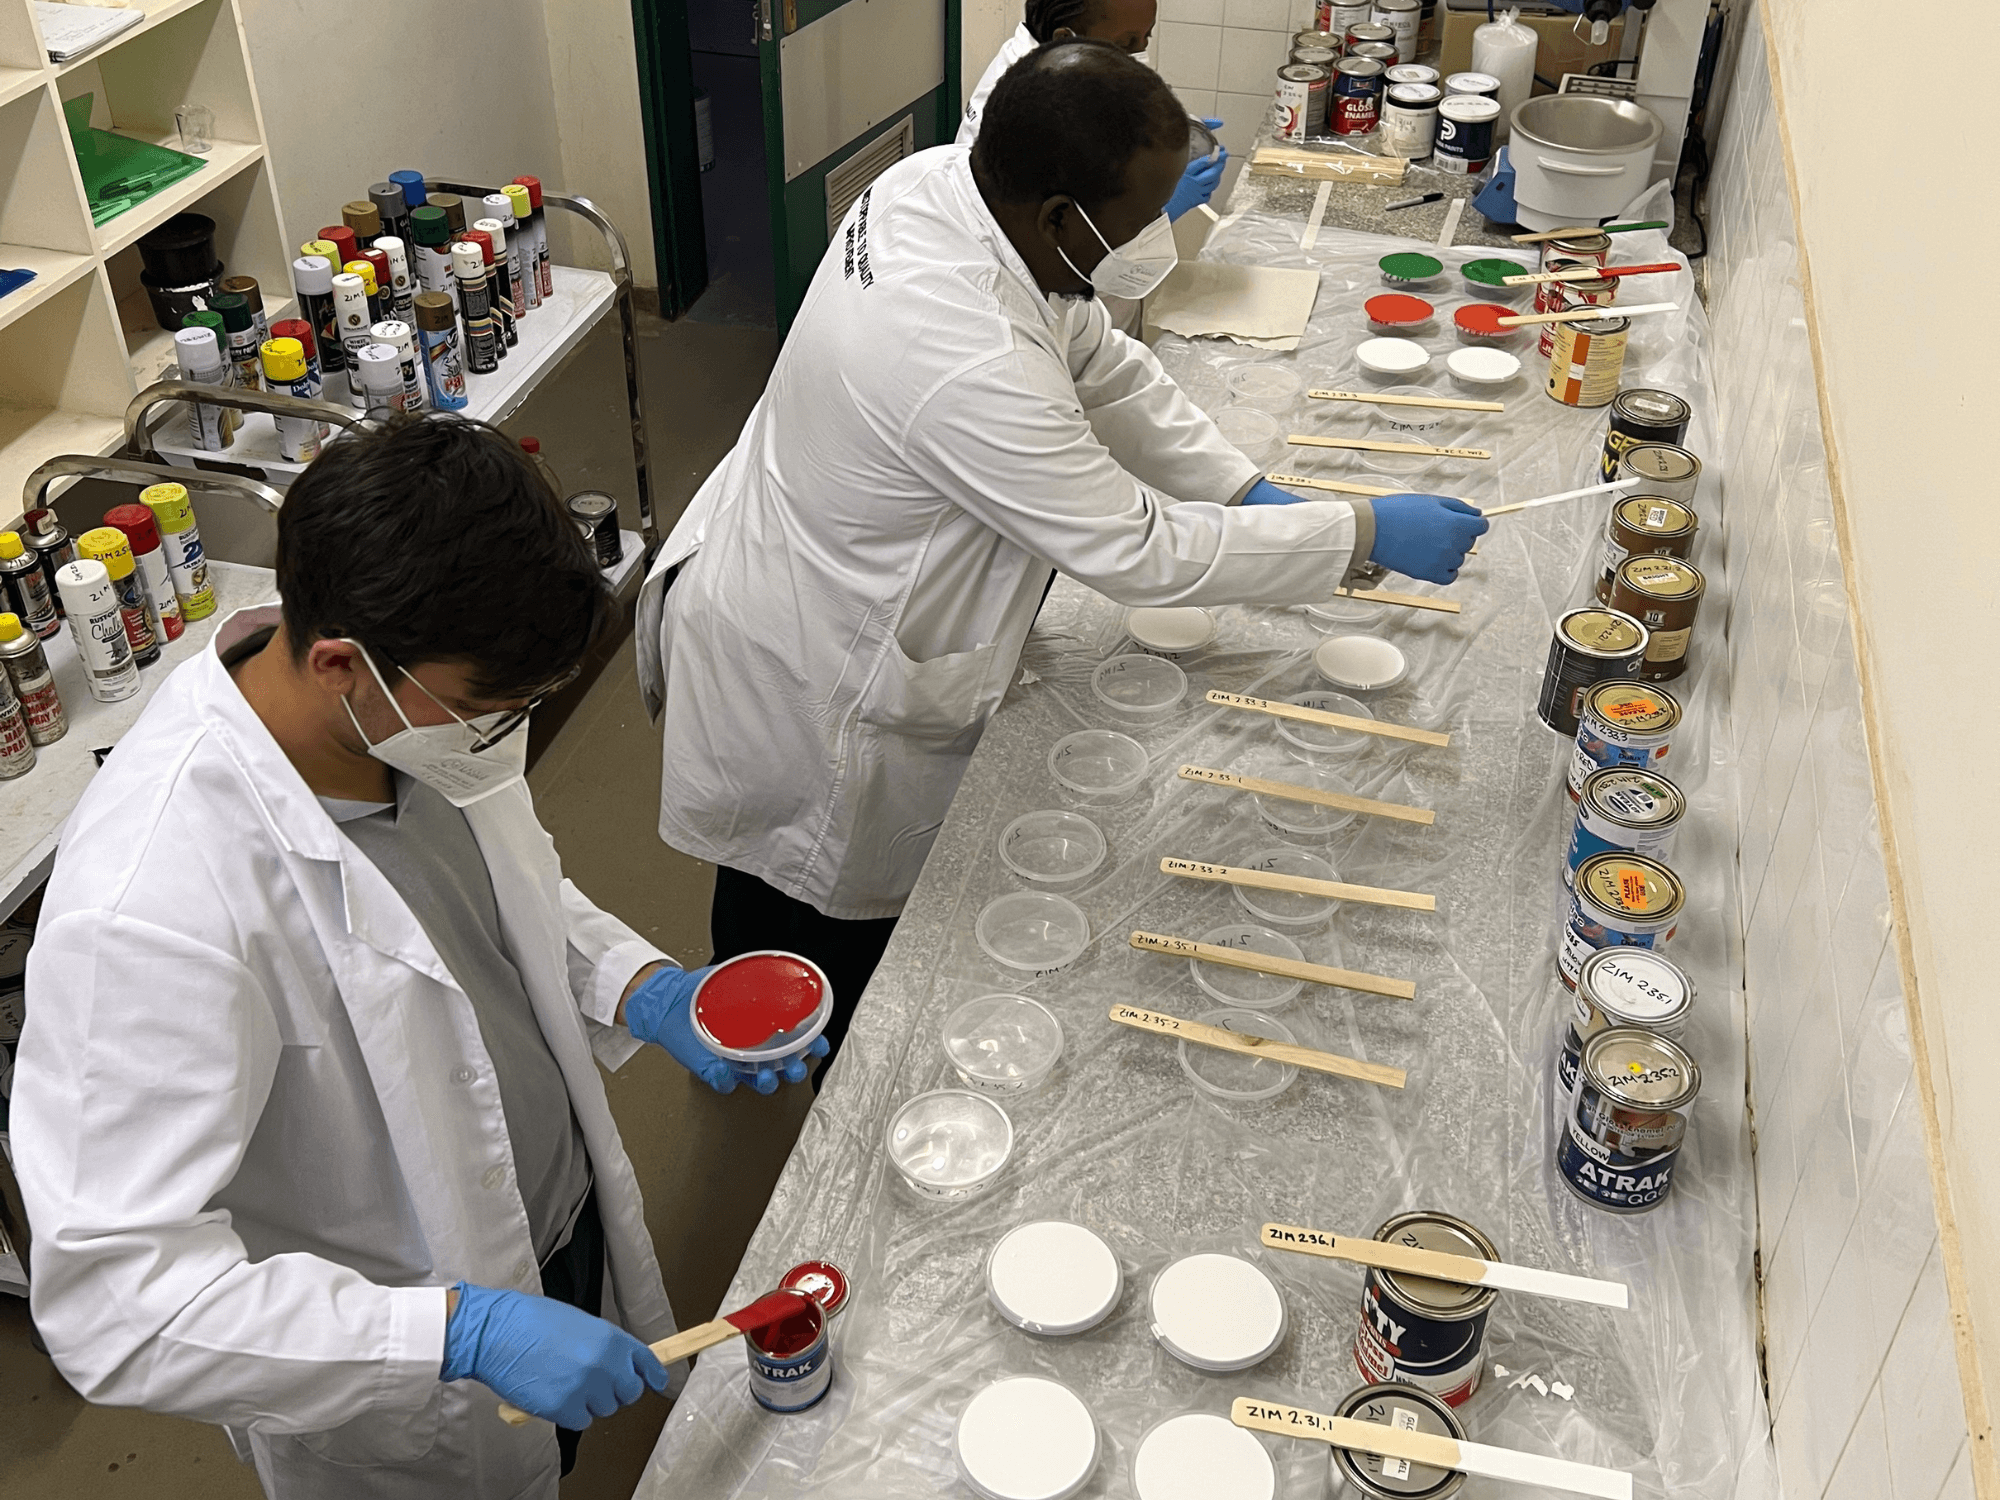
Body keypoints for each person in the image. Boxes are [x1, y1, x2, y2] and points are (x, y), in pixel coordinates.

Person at [636, 41, 1484, 1081]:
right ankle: (783, 1046)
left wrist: (1245, 490)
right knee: (803, 890)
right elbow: (1136, 551)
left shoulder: (943, 188)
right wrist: (1354, 533)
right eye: (1131, 227)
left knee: (786, 869)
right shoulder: (960, 358)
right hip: (820, 654)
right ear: (1055, 217)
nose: (1144, 246)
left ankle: (778, 1007)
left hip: (814, 558)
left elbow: (1097, 360)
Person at [12, 416, 816, 1500]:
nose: (499, 737)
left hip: (552, 1222)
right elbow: (120, 1303)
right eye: (489, 712)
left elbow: (491, 898)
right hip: (398, 1346)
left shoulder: (397, 715)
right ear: (341, 663)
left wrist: (642, 987)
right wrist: (449, 1332)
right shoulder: (150, 903)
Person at [958, 0, 1229, 229]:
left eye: (1147, 37)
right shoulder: (1019, 121)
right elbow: (1069, 246)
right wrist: (1160, 212)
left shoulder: (1065, 70)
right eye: (1126, 44)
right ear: (1065, 39)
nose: (1139, 56)